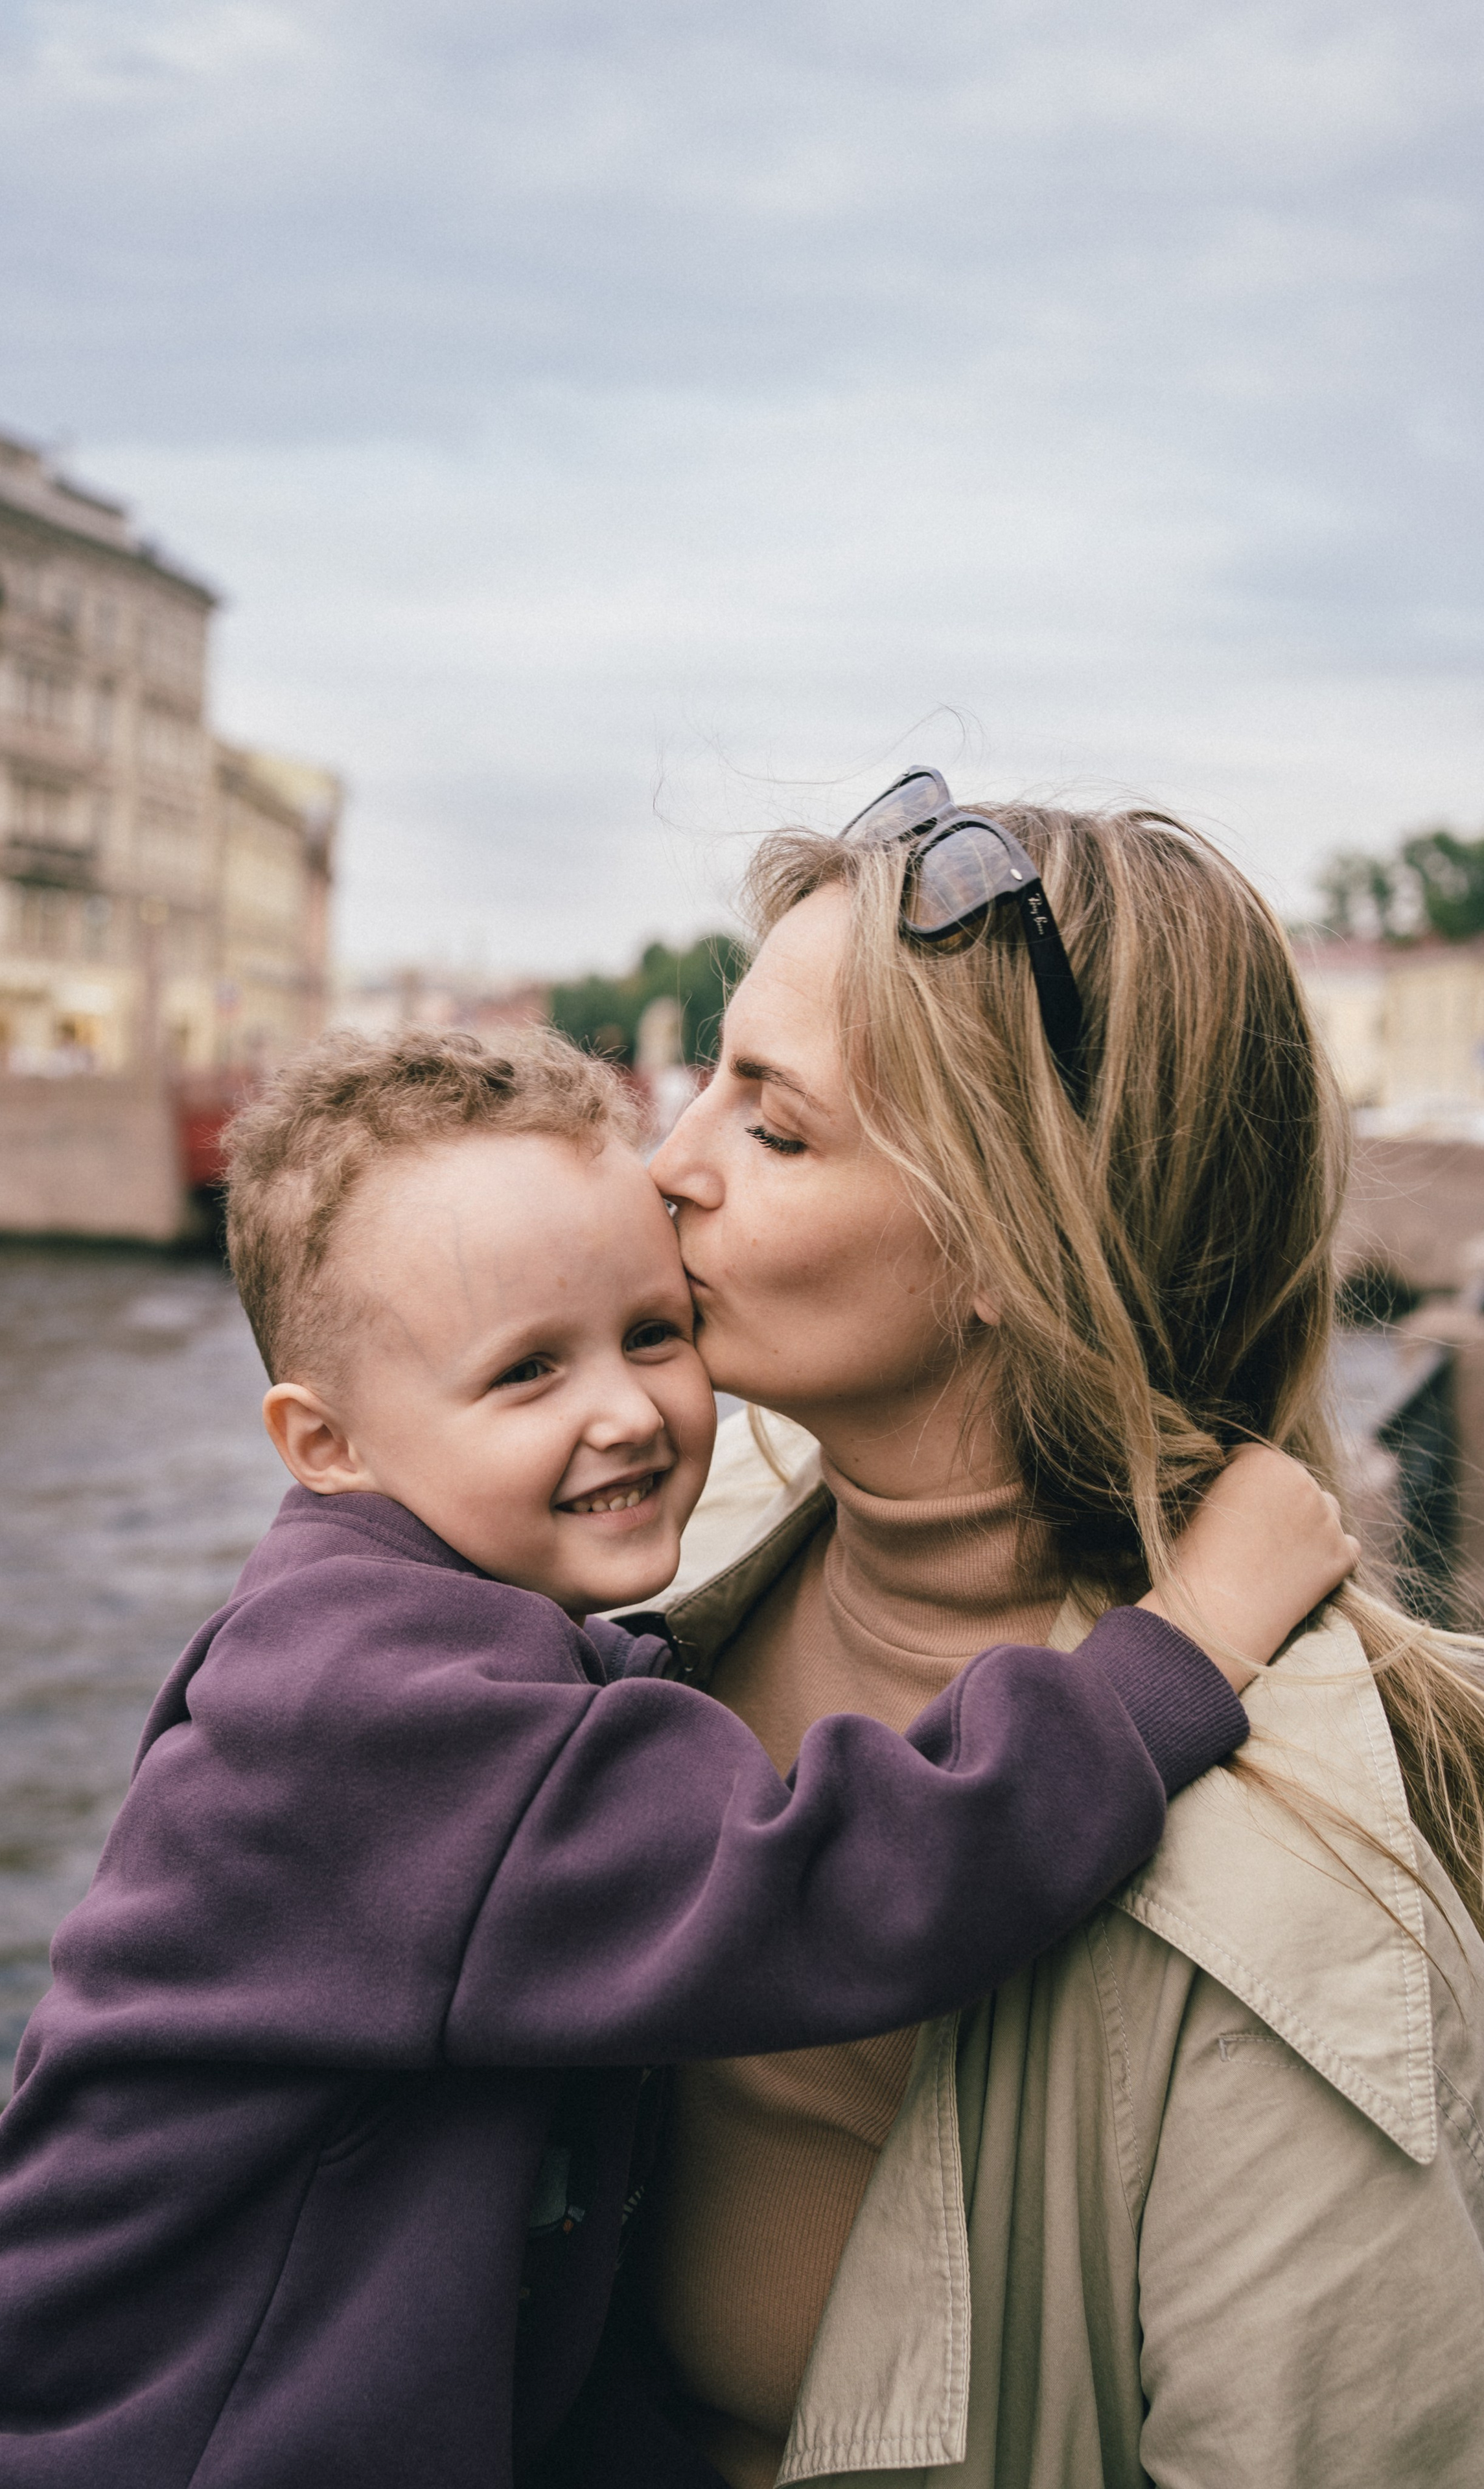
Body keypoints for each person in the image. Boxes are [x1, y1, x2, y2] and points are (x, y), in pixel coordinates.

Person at [0, 1022, 1347, 2489]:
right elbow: (830, 1886)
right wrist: (1185, 1644)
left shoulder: (389, 1628)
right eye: (524, 1374)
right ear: (325, 1443)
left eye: (650, 1333)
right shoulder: (374, 1711)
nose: (623, 1411)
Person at [537, 771, 1484, 2488]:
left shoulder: (1292, 1924)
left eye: (772, 1123)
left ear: (1007, 1237)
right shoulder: (654, 1549)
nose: (665, 1168)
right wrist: (27, 2204)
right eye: (703, 1087)